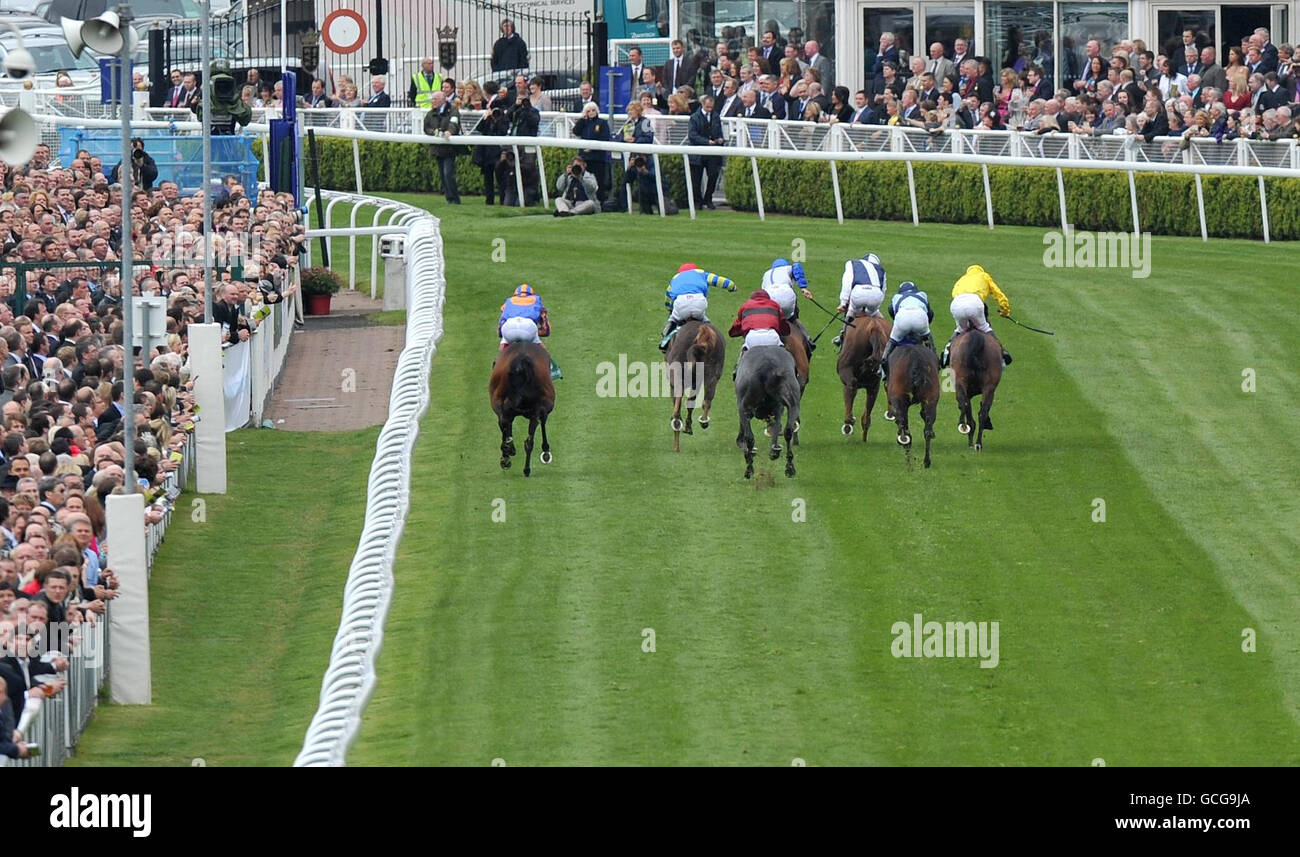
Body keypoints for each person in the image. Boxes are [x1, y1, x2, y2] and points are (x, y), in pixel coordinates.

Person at [942, 264, 1012, 368]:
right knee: (984, 327)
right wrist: (1005, 311)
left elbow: (954, 293)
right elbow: (998, 294)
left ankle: (946, 351)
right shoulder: (984, 276)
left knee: (960, 329)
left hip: (956, 303)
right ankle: (1002, 353)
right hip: (975, 302)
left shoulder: (962, 279)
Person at [659, 263, 735, 351]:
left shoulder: (675, 278)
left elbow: (668, 296)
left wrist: (669, 308)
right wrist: (732, 286)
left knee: (672, 320)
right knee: (705, 321)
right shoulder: (701, 273)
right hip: (698, 302)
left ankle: (664, 342)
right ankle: (714, 340)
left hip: (681, 303)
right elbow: (717, 280)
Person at [879, 281, 936, 380]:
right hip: (920, 318)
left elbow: (891, 310)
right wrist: (924, 332)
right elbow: (930, 313)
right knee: (930, 346)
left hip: (902, 318)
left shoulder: (896, 297)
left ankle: (883, 370)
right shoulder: (922, 295)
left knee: (891, 344)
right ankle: (936, 364)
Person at [833, 253, 886, 347]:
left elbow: (847, 282)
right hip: (876, 295)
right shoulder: (881, 270)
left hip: (859, 293)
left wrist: (843, 302)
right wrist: (874, 308)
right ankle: (888, 335)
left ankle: (842, 336)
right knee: (876, 315)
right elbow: (883, 290)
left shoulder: (852, 263)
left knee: (852, 310)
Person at [728, 289, 790, 363]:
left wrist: (734, 332)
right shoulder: (775, 305)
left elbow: (736, 327)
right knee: (785, 356)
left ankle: (737, 371)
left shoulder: (745, 305)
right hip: (771, 337)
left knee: (743, 355)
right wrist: (785, 331)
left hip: (752, 338)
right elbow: (783, 325)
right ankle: (794, 372)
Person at [423, 91, 463, 204]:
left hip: (449, 149)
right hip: (437, 148)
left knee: (448, 174)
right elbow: (426, 127)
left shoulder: (453, 110)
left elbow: (454, 123)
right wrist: (433, 132)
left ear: (443, 100)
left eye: (435, 99)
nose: (433, 101)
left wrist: (449, 131)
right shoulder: (431, 113)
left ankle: (455, 199)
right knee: (442, 174)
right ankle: (449, 198)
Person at [687, 95, 725, 210]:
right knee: (696, 180)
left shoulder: (716, 116)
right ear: (702, 104)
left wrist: (720, 139)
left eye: (711, 107)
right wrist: (706, 141)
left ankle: (708, 199)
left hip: (712, 152)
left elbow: (719, 131)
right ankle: (698, 201)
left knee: (713, 175)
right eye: (707, 107)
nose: (709, 109)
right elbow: (692, 135)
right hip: (698, 152)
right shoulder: (694, 117)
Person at [571, 102, 611, 203]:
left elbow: (605, 138)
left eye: (593, 110)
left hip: (597, 158)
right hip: (584, 158)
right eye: (589, 110)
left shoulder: (602, 123)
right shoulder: (584, 122)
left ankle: (599, 203)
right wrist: (582, 119)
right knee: (583, 181)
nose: (591, 112)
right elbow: (575, 131)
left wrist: (592, 148)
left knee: (598, 182)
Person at [498, 284, 550, 348]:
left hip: (509, 326)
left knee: (502, 349)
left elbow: (500, 332)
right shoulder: (536, 300)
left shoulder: (508, 302)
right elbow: (546, 331)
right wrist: (535, 332)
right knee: (542, 352)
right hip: (528, 326)